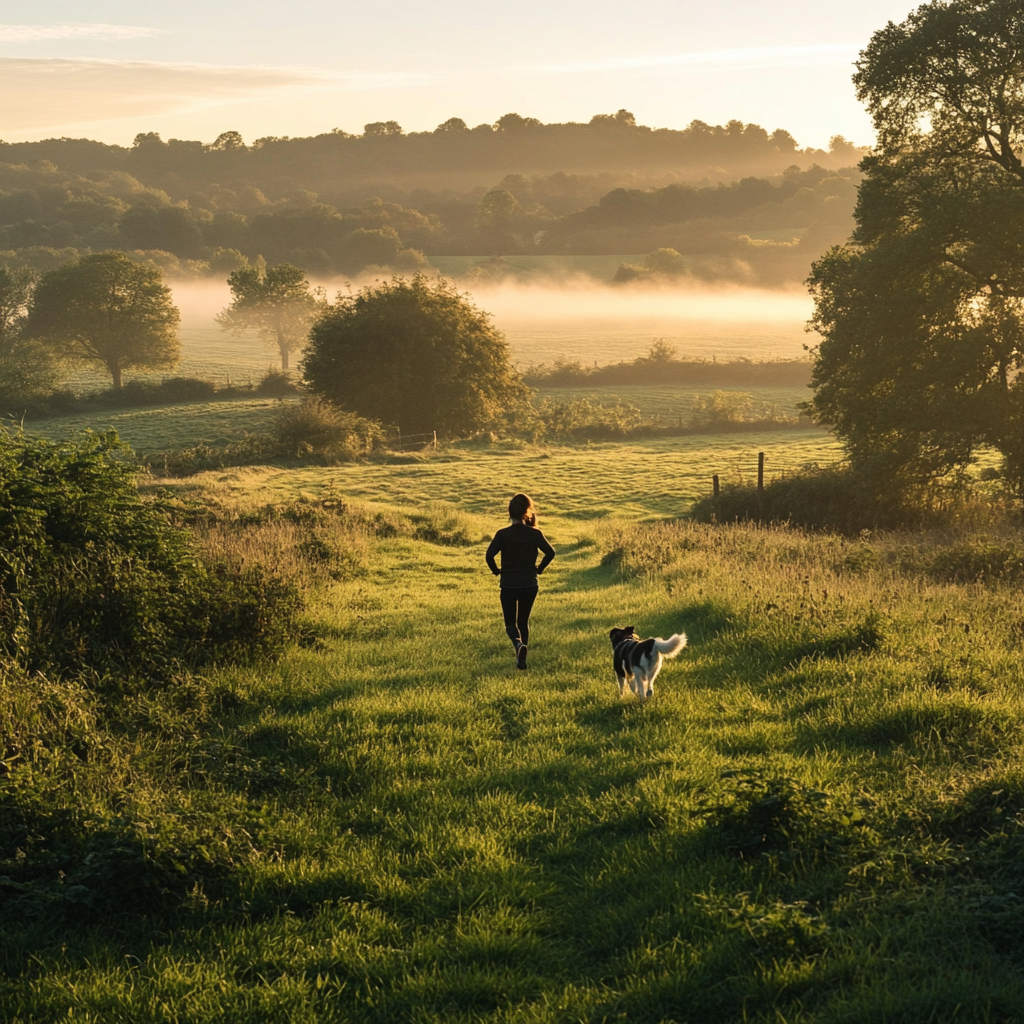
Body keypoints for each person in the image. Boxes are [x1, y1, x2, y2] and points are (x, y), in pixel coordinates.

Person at [485, 493, 555, 670]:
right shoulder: (534, 533)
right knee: (523, 622)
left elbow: (489, 556)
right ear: (526, 511)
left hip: (508, 585)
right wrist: (539, 569)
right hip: (529, 585)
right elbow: (551, 553)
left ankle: (518, 645)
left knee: (510, 624)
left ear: (510, 513)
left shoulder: (502, 534)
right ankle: (522, 660)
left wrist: (496, 572)